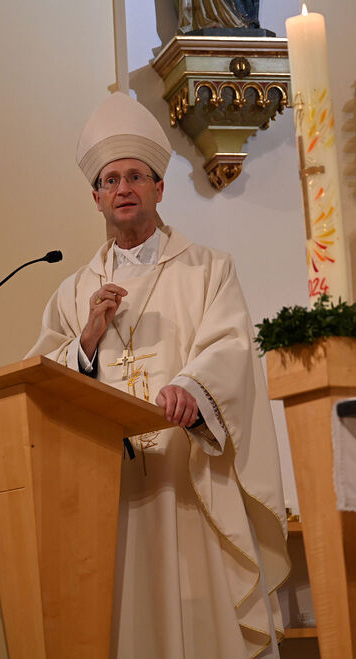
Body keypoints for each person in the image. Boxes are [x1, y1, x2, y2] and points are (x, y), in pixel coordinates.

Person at [27, 92, 290, 659]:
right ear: (96, 197)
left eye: (135, 177)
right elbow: (40, 381)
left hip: (185, 481)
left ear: (159, 188)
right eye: (111, 180)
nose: (123, 188)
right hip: (110, 490)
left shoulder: (208, 269)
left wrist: (193, 389)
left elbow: (231, 347)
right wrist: (87, 341)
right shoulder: (72, 293)